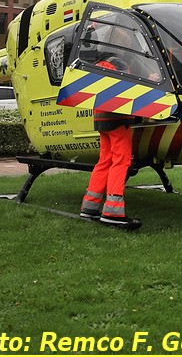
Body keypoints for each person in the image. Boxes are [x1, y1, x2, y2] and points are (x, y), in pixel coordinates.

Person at [79, 27, 145, 229]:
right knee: (121, 161)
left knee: (105, 161)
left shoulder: (98, 63)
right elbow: (128, 90)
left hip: (101, 119)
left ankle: (89, 207)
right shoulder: (119, 63)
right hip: (118, 119)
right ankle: (113, 212)